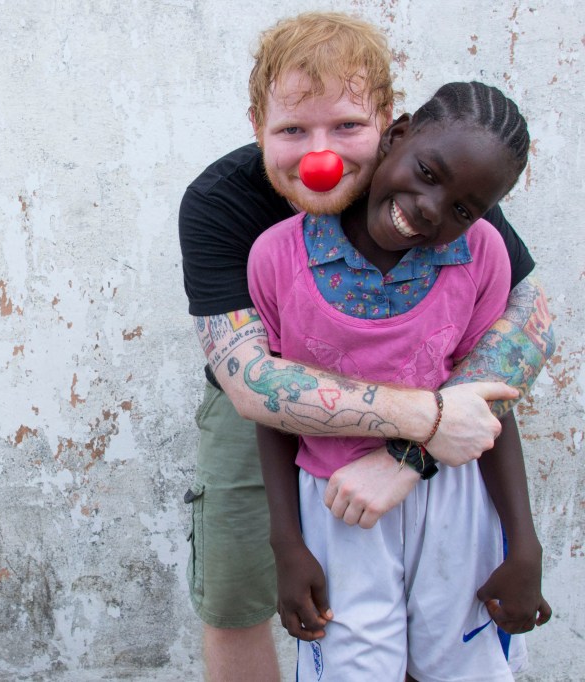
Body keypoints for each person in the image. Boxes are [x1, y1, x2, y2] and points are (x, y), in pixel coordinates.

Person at [178, 13, 555, 681]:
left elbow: (525, 324)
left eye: (347, 126)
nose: (320, 151)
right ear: (257, 123)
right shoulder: (223, 206)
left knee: (439, 634)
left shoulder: (447, 197)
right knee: (241, 600)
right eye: (293, 130)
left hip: (449, 447)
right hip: (272, 425)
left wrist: (413, 456)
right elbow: (254, 386)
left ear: (388, 123)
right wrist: (432, 423)